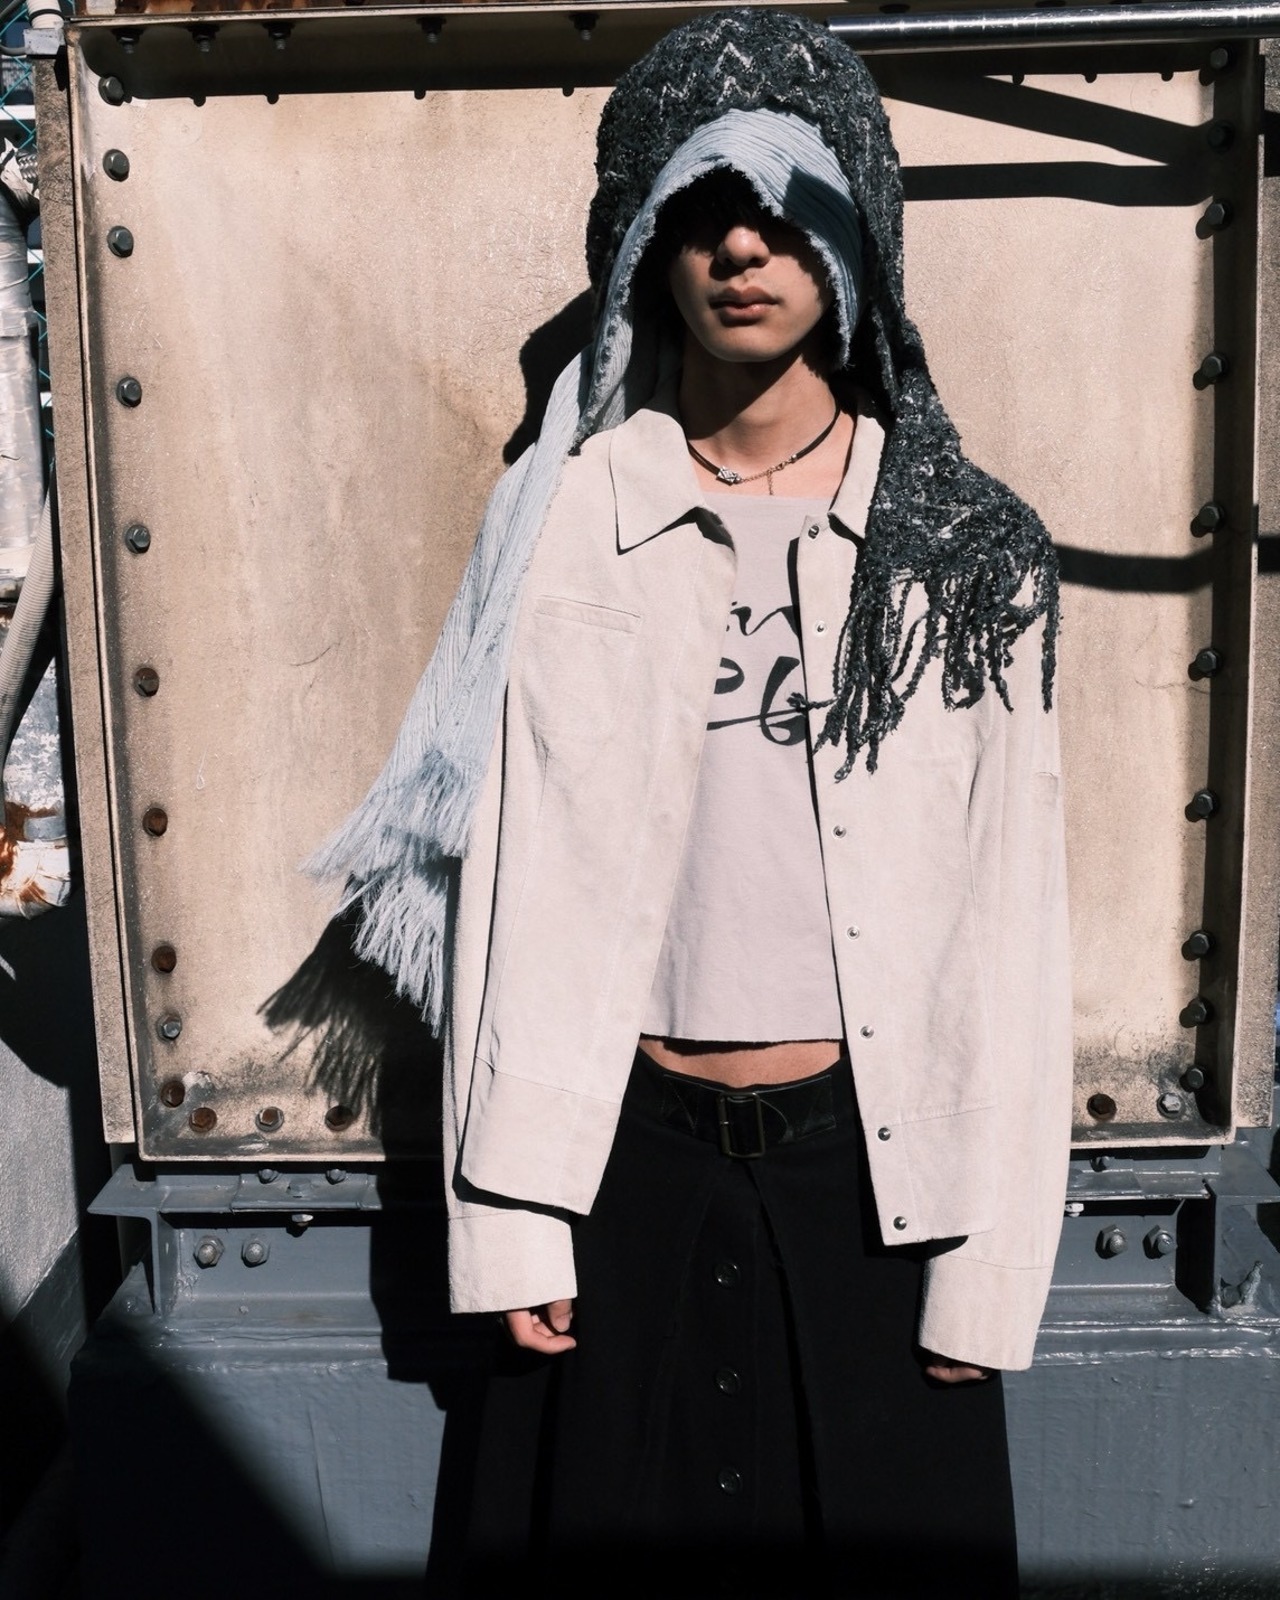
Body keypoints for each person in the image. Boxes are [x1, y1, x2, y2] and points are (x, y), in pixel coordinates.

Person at [313, 10, 1072, 1596]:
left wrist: (992, 1268)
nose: (742, 247)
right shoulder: (562, 516)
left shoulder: (964, 544)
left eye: (787, 209)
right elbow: (503, 887)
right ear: (645, 249)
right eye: (700, 211)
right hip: (620, 1165)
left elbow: (1014, 924)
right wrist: (514, 1220)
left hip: (877, 1183)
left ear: (857, 240)